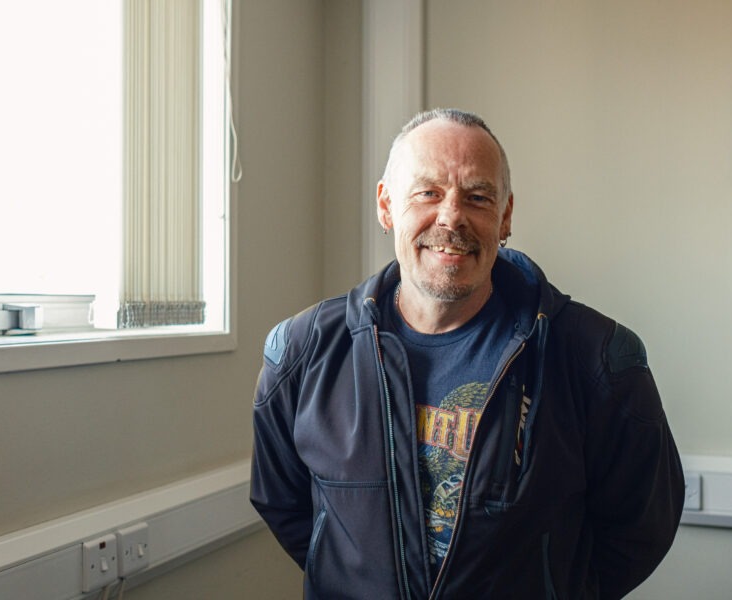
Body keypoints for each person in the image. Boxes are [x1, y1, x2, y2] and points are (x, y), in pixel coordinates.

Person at [250, 108, 684, 599]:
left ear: (506, 216)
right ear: (386, 205)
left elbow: (639, 528)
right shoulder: (303, 352)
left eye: (478, 197)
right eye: (427, 192)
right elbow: (288, 507)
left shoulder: (598, 358)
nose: (452, 216)